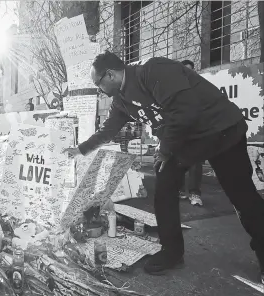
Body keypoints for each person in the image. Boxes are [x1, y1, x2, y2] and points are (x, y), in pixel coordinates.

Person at [63, 51, 264, 282]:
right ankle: (172, 252)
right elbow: (108, 129)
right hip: (187, 140)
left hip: (221, 130)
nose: (99, 90)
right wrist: (81, 149)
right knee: (165, 188)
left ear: (110, 75)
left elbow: (185, 111)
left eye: (98, 84)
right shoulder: (121, 101)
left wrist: (165, 149)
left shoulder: (154, 70)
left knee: (242, 196)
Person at [178, 60, 203, 206]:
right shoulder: (174, 87)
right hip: (179, 130)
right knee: (178, 161)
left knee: (195, 162)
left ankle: (195, 193)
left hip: (195, 130)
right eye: (185, 70)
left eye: (191, 70)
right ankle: (180, 190)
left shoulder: (199, 87)